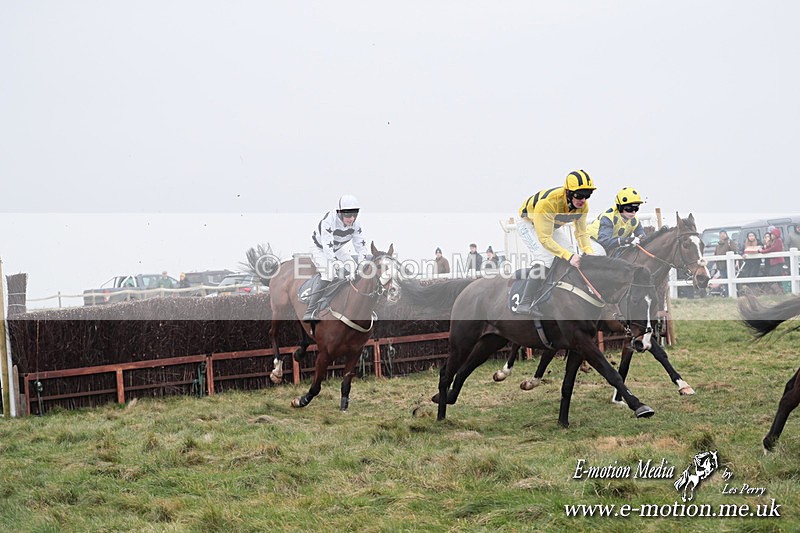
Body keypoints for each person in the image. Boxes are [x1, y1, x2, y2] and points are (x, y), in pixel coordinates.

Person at [515, 169, 596, 314]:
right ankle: (525, 302)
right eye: (579, 195)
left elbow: (581, 233)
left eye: (587, 195)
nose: (583, 200)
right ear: (568, 192)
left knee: (570, 252)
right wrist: (569, 257)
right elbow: (545, 239)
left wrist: (589, 253)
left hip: (550, 224)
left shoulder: (583, 207)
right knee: (546, 257)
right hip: (527, 222)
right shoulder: (548, 203)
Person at [304, 194, 369, 322]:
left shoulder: (356, 224)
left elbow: (361, 247)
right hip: (320, 249)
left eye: (354, 214)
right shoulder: (329, 221)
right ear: (340, 213)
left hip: (337, 248)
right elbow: (327, 249)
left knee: (354, 268)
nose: (351, 219)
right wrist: (338, 266)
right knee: (329, 274)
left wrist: (362, 264)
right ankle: (310, 311)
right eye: (348, 215)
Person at [586, 186, 646, 255]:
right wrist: (627, 240)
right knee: (601, 253)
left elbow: (642, 237)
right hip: (591, 240)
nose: (633, 212)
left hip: (608, 243)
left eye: (636, 208)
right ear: (620, 207)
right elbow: (604, 241)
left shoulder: (635, 221)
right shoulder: (608, 218)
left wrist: (641, 239)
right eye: (629, 208)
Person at [759, 227, 787, 293]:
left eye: (772, 234)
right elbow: (769, 248)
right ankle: (780, 291)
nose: (771, 236)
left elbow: (772, 249)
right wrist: (767, 243)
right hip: (774, 262)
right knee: (774, 277)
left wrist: (762, 251)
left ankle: (779, 292)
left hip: (778, 262)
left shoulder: (778, 241)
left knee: (773, 277)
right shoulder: (774, 241)